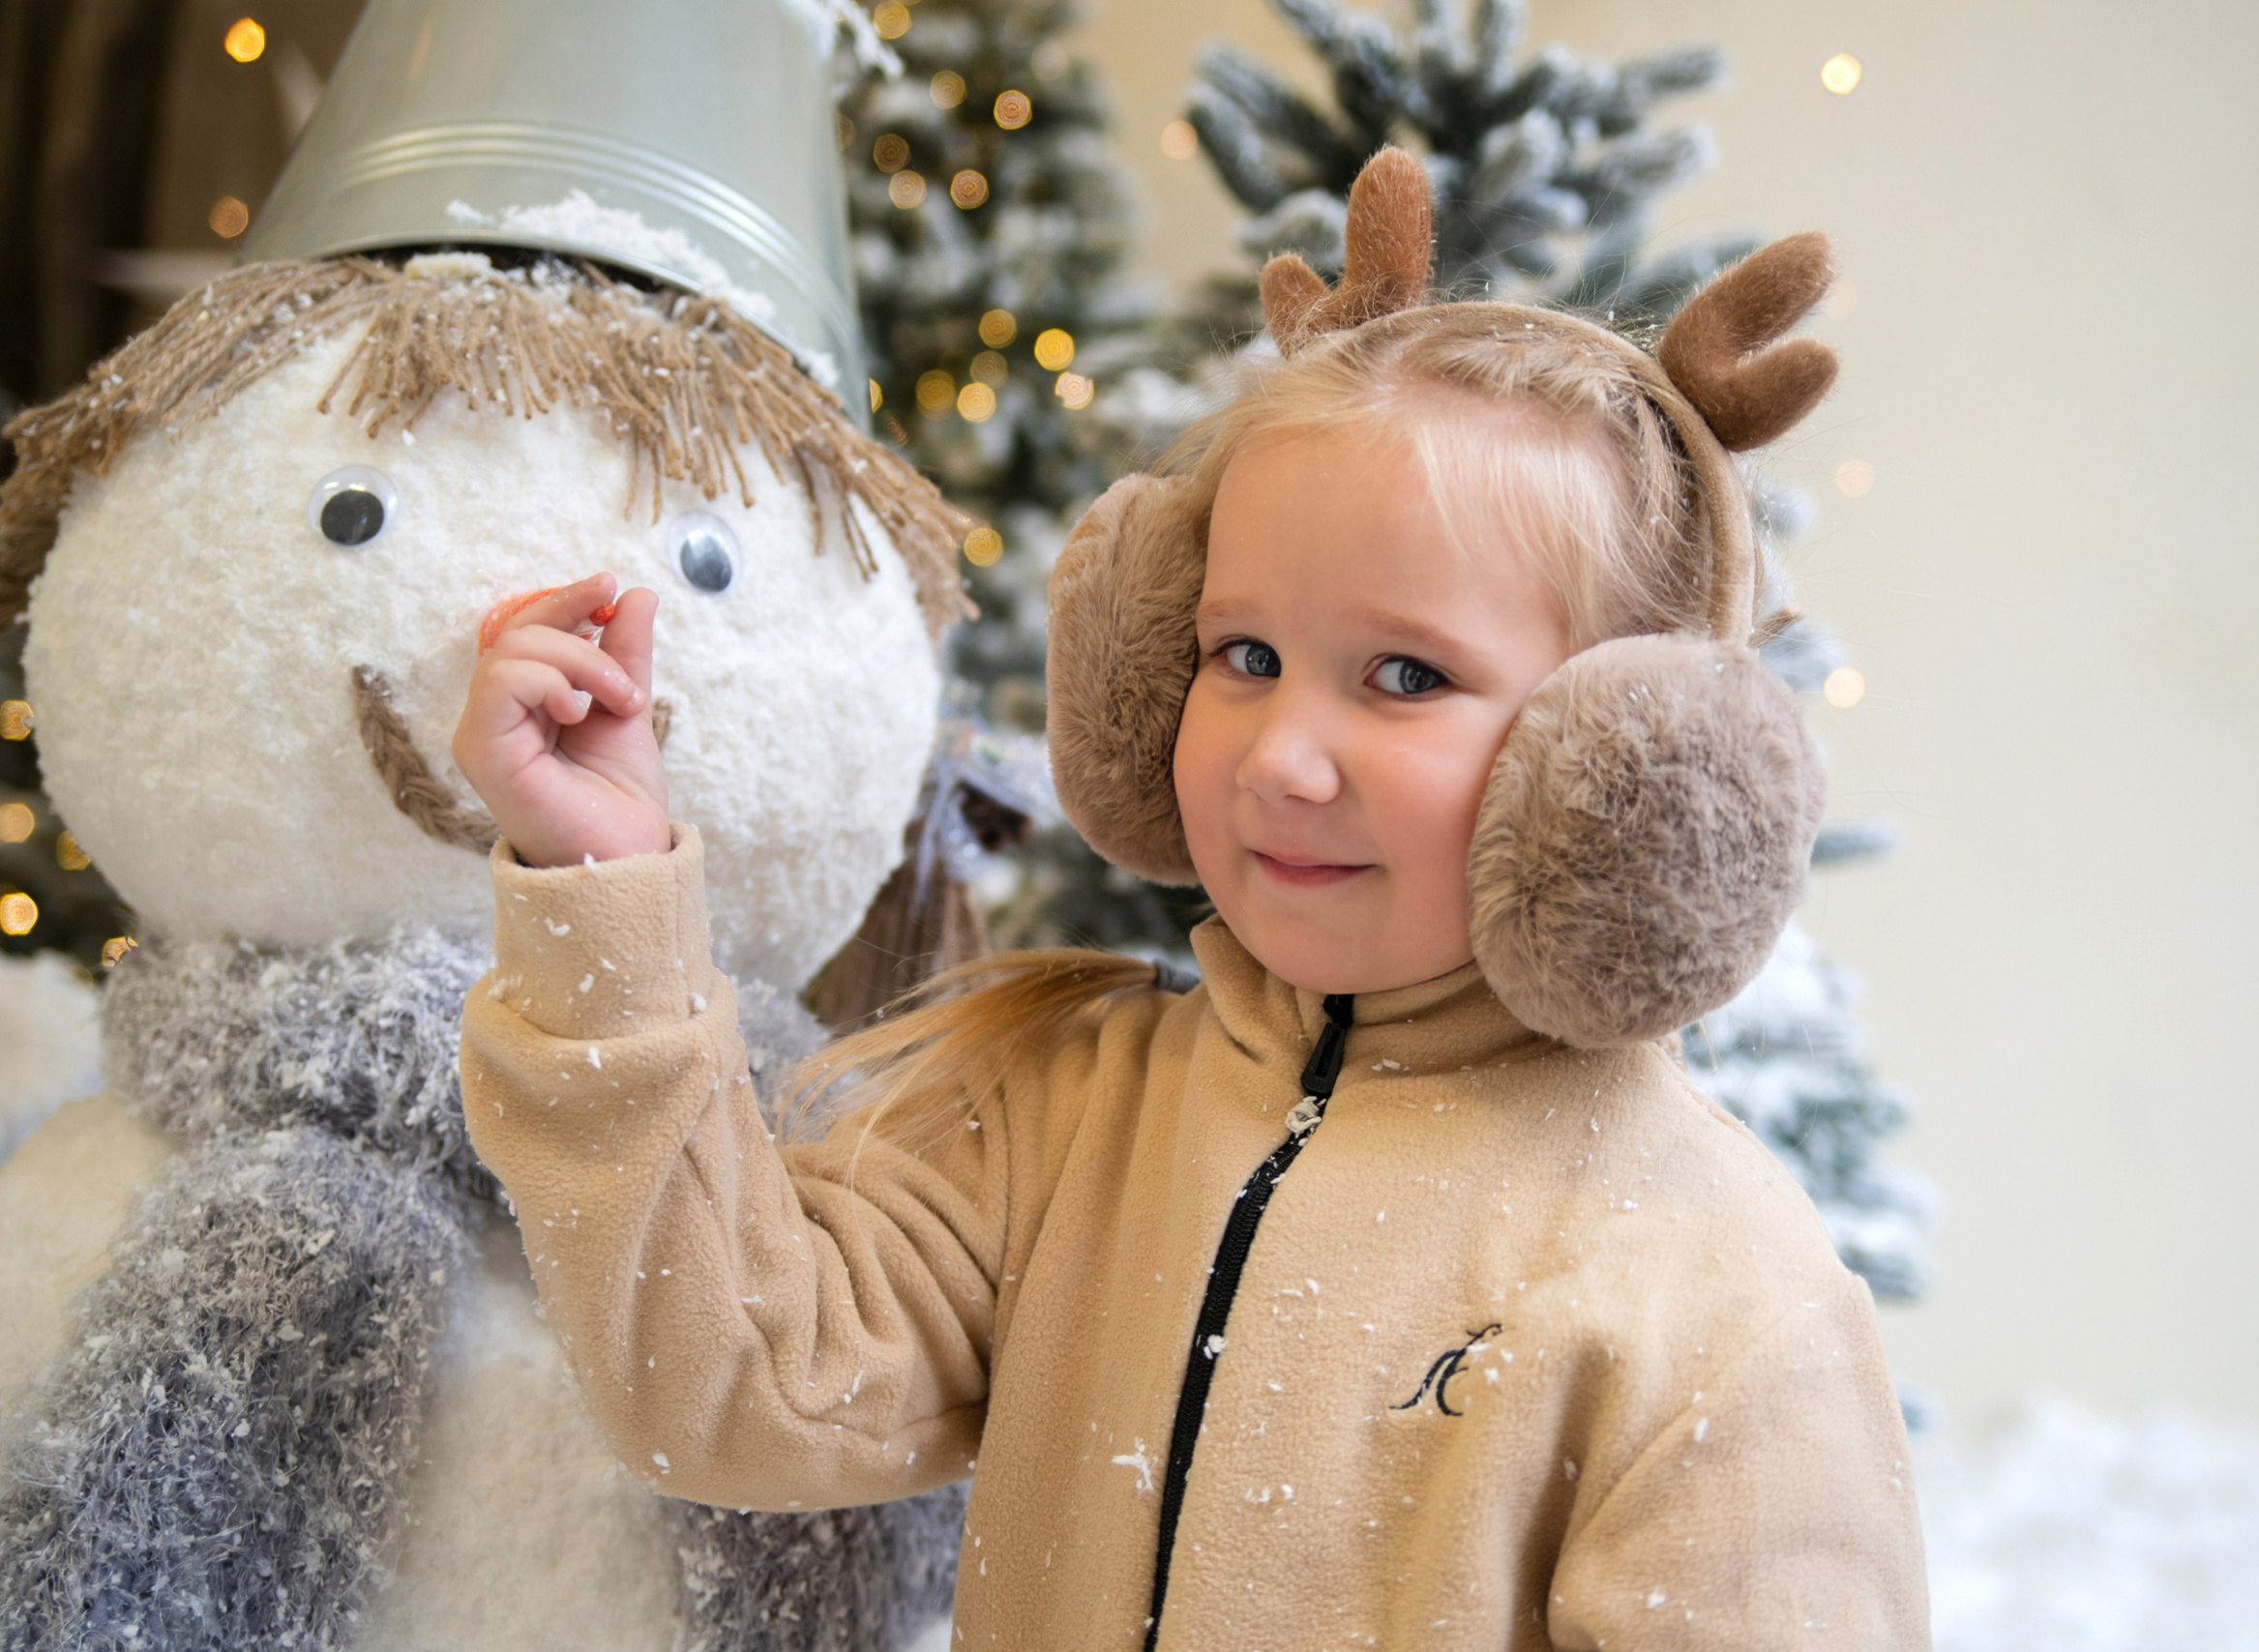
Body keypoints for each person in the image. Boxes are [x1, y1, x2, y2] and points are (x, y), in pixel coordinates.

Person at [456, 150, 1928, 1649]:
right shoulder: (1067, 1112)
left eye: (1405, 676)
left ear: (1621, 766)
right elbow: (728, 1385)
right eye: (1242, 656)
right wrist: (605, 880)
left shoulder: (1713, 1290)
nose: (1284, 758)